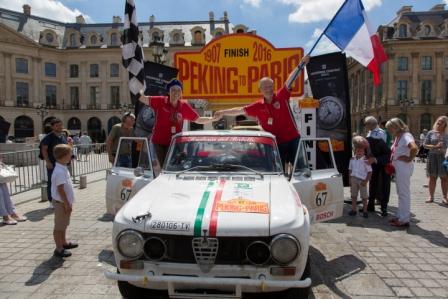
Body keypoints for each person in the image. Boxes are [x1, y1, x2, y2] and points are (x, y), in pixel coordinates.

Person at [214, 56, 310, 171]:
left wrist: (301, 65)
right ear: (260, 90)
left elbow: (290, 80)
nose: (268, 89)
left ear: (273, 87)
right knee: (278, 173)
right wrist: (222, 112)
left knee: (302, 171)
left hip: (294, 140)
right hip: (276, 144)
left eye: (270, 86)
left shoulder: (281, 96)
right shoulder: (257, 106)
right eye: (265, 87)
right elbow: (239, 110)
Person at [138, 79, 217, 166]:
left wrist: (212, 118)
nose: (176, 92)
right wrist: (140, 87)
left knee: (172, 167)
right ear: (168, 91)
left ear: (181, 93)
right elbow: (142, 98)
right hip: (158, 143)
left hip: (174, 143)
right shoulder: (160, 101)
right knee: (159, 169)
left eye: (179, 90)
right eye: (173, 90)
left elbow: (198, 120)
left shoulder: (184, 106)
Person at [385, 118, 418, 227]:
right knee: (400, 193)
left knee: (404, 193)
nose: (388, 130)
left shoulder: (406, 136)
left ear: (395, 127)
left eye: (389, 128)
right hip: (398, 167)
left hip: (403, 167)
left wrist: (409, 158)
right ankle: (400, 215)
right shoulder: (398, 137)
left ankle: (404, 219)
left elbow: (414, 148)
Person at [51, 144, 77, 257]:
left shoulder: (63, 168)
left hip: (65, 202)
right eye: (69, 154)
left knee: (64, 224)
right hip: (61, 203)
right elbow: (60, 190)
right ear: (63, 156)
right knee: (59, 226)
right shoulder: (59, 171)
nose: (71, 156)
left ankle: (64, 242)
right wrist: (66, 203)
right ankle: (59, 248)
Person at [364, 116, 391, 216]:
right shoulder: (370, 132)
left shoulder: (380, 133)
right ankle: (370, 205)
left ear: (371, 124)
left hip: (382, 161)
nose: (365, 126)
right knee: (373, 182)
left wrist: (375, 159)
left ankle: (384, 207)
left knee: (383, 184)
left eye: (366, 124)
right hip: (373, 162)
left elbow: (384, 150)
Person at [41, 118, 68, 207]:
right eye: (57, 125)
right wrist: (48, 162)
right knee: (52, 182)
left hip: (62, 164)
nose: (60, 127)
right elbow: (44, 150)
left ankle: (61, 198)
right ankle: (51, 200)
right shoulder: (48, 137)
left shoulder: (63, 136)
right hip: (52, 163)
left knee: (63, 182)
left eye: (60, 125)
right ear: (52, 127)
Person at [423, 116, 448, 204]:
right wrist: (434, 146)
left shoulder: (446, 134)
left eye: (441, 122)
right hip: (432, 156)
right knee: (432, 177)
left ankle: (445, 197)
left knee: (444, 177)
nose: (439, 123)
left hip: (444, 157)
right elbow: (425, 145)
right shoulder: (431, 133)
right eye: (438, 121)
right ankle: (431, 196)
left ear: (445, 124)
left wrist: (444, 150)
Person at [348, 136, 372, 218]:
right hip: (354, 179)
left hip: (362, 180)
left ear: (364, 152)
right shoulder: (352, 160)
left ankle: (365, 211)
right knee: (353, 195)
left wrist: (366, 181)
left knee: (364, 197)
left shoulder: (366, 161)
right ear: (354, 151)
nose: (359, 152)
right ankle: (354, 209)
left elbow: (369, 172)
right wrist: (350, 180)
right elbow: (350, 170)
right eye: (357, 150)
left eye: (361, 150)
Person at [134, 105, 158, 169]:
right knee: (144, 153)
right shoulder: (149, 108)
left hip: (145, 137)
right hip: (143, 136)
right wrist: (159, 120)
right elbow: (146, 120)